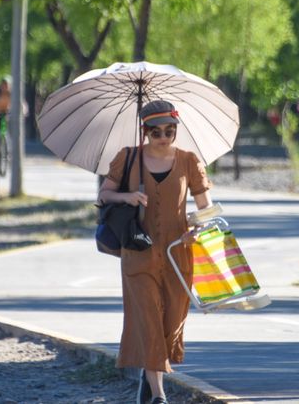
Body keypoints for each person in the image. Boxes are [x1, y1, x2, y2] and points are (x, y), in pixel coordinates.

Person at [96, 100, 213, 404]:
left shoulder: (189, 161)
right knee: (148, 319)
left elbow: (206, 208)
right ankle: (159, 394)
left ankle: (148, 380)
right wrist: (128, 196)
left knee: (171, 323)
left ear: (176, 130)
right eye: (156, 132)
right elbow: (105, 195)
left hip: (179, 253)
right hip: (138, 253)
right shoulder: (128, 158)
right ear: (145, 131)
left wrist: (197, 230)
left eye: (169, 131)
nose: (163, 137)